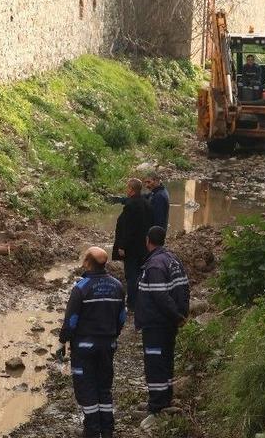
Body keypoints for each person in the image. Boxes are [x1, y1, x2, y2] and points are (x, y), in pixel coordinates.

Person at [58, 247, 126, 438]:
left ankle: (92, 430)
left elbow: (71, 320)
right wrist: (113, 336)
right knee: (104, 387)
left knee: (86, 388)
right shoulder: (117, 286)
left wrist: (63, 340)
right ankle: (107, 430)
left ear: (88, 263)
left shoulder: (81, 288)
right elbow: (122, 317)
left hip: (84, 348)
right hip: (107, 346)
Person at [135, 226, 190, 429]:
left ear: (148, 240)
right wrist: (182, 314)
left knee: (155, 363)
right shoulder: (172, 259)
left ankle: (157, 407)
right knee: (165, 359)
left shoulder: (155, 265)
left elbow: (160, 297)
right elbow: (185, 288)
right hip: (166, 322)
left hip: (157, 324)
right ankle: (163, 399)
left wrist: (176, 317)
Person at [112, 178, 153, 311]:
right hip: (144, 246)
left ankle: (132, 304)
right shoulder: (146, 203)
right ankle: (141, 300)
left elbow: (128, 229)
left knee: (131, 275)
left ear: (131, 189)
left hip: (131, 248)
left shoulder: (131, 206)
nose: (126, 190)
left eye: (127, 188)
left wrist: (122, 246)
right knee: (141, 274)